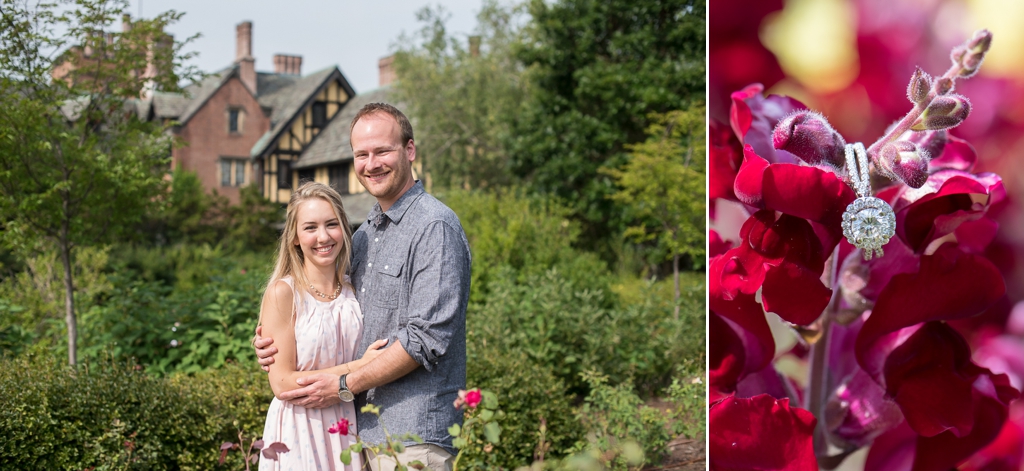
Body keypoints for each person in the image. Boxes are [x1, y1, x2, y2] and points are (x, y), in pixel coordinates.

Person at [254, 103, 472, 471]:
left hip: (413, 434)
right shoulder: (367, 234)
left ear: (409, 150)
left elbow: (426, 339)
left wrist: (345, 384)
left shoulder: (435, 226)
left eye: (383, 151)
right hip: (358, 433)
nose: (372, 163)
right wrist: (273, 341)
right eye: (361, 154)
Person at [256, 181, 389, 471]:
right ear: (294, 237)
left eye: (331, 224)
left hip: (347, 425)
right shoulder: (283, 293)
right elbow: (282, 384)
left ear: (343, 227)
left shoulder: (356, 289)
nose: (323, 236)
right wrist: (359, 368)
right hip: (299, 428)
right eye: (310, 227)